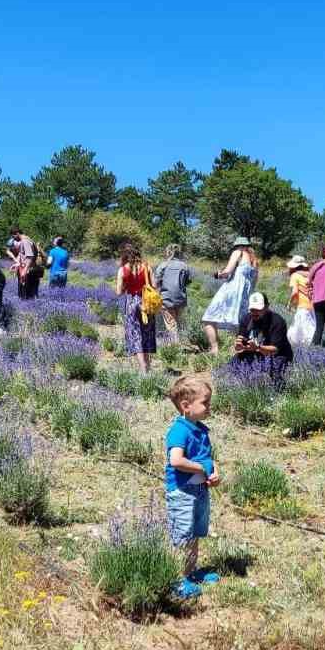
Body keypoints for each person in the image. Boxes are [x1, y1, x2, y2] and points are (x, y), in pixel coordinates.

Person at [164, 374, 222, 600]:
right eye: (205, 402)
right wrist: (201, 469)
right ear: (186, 406)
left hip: (199, 491)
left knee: (195, 533)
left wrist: (214, 472)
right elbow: (175, 461)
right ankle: (177, 579)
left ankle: (190, 572)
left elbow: (209, 458)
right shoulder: (179, 430)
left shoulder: (201, 429)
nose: (209, 406)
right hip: (182, 493)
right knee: (183, 535)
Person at [201, 237, 260, 353]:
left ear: (238, 246)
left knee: (208, 318)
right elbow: (254, 282)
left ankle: (214, 349)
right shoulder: (254, 261)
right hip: (245, 295)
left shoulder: (238, 252)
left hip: (231, 290)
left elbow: (227, 271)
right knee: (239, 323)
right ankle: (239, 351)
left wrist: (218, 274)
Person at [113, 243, 158, 372]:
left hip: (132, 304)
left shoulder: (122, 270)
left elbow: (118, 292)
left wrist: (127, 285)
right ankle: (148, 366)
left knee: (135, 336)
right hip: (146, 304)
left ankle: (143, 368)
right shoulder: (147, 267)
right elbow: (154, 286)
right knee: (147, 334)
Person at [232, 292, 294, 385]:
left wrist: (258, 348)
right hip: (255, 352)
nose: (255, 312)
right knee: (233, 364)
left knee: (275, 374)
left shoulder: (277, 322)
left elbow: (275, 350)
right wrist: (239, 346)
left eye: (258, 309)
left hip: (277, 355)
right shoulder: (246, 319)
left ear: (267, 307)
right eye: (252, 309)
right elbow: (240, 346)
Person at [154, 243, 193, 341]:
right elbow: (187, 282)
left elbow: (155, 283)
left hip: (166, 299)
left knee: (171, 325)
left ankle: (174, 348)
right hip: (181, 299)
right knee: (178, 323)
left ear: (168, 252)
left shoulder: (163, 265)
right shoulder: (184, 266)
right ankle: (179, 343)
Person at [285, 255, 316, 349]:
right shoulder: (310, 274)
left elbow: (294, 292)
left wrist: (289, 303)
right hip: (313, 305)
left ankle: (309, 349)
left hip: (302, 306)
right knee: (308, 327)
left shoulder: (295, 275)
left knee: (302, 330)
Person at [8, 228, 42, 299]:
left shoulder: (25, 241)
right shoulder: (25, 240)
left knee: (27, 296)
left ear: (17, 233)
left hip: (29, 271)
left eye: (13, 236)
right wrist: (16, 264)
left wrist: (24, 270)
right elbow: (22, 255)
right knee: (25, 295)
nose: (13, 239)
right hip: (27, 270)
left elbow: (30, 257)